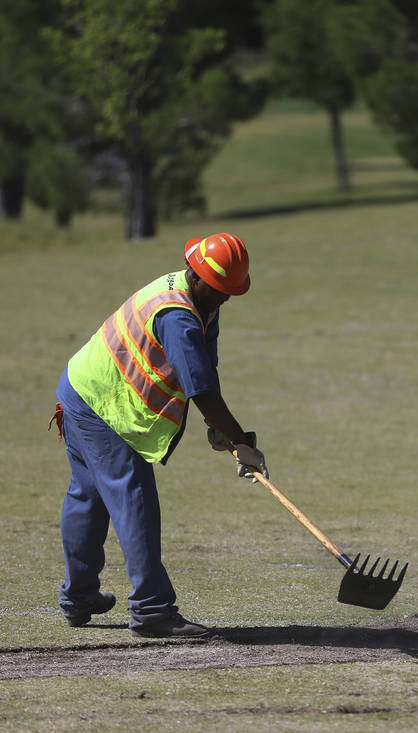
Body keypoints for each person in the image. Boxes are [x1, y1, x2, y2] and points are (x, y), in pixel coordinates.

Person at [49, 232, 268, 637]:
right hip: (104, 407)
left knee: (89, 496)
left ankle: (78, 597)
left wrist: (218, 429)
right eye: (220, 290)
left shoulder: (196, 297)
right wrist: (241, 441)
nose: (225, 298)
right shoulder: (179, 316)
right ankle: (152, 611)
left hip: (81, 388)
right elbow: (202, 390)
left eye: (230, 292)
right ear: (197, 276)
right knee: (135, 503)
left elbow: (205, 372)